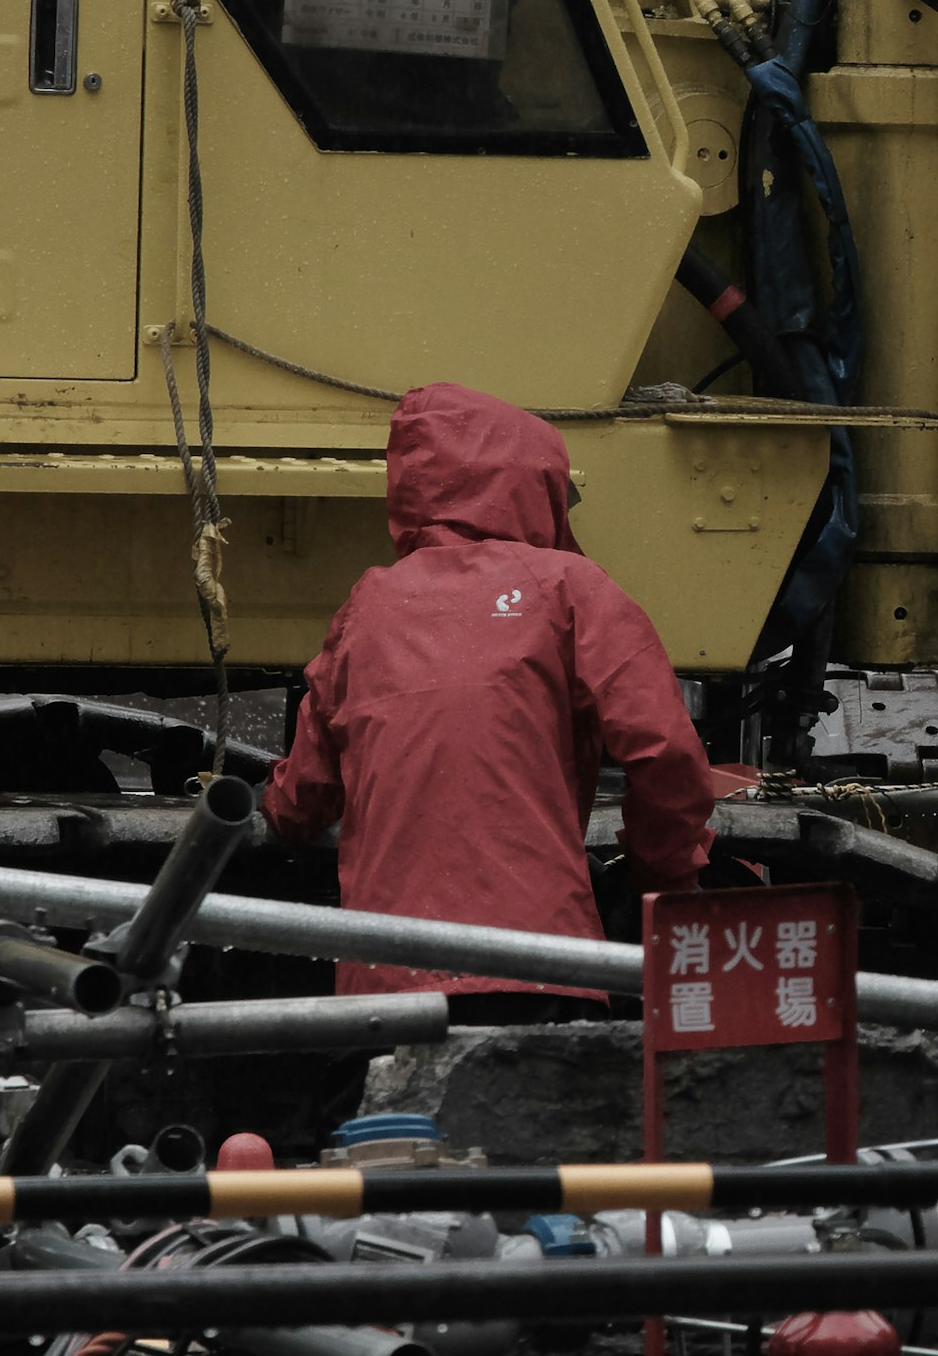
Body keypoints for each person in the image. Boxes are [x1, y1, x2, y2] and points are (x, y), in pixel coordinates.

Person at [265, 383, 717, 1017]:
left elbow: (301, 799)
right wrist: (662, 879)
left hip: (386, 986)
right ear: (539, 488)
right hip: (541, 966)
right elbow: (666, 751)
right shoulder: (569, 587)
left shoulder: (368, 605)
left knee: (389, 1121)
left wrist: (261, 804)